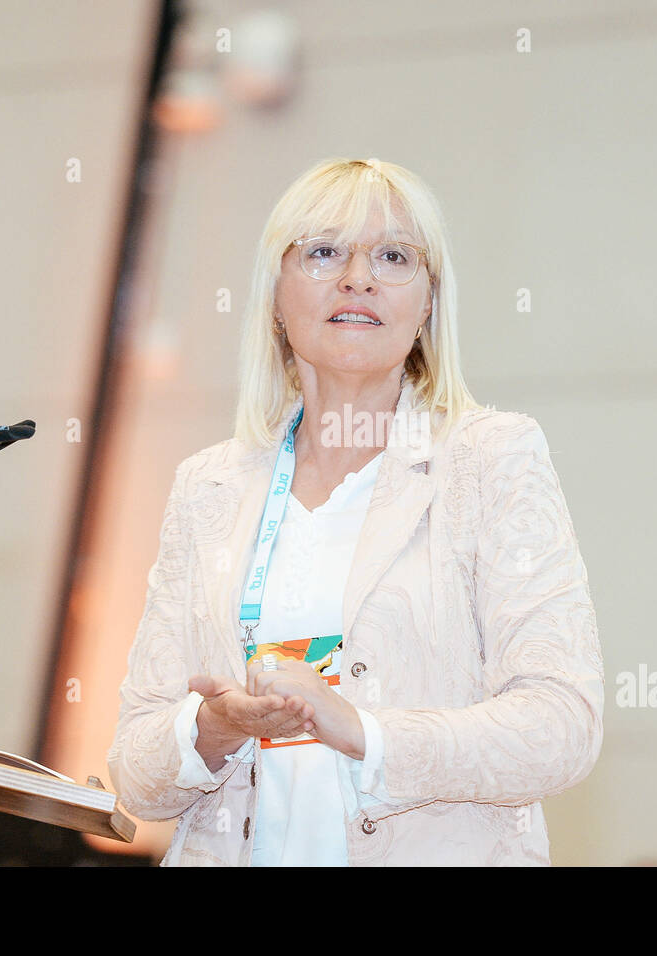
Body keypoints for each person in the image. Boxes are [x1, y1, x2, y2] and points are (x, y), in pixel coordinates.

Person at [106, 157, 604, 866]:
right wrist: (212, 727)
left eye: (394, 256)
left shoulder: (490, 460)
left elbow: (562, 726)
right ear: (275, 296)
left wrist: (365, 732)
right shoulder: (208, 486)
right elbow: (133, 772)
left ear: (429, 301)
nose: (358, 277)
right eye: (323, 252)